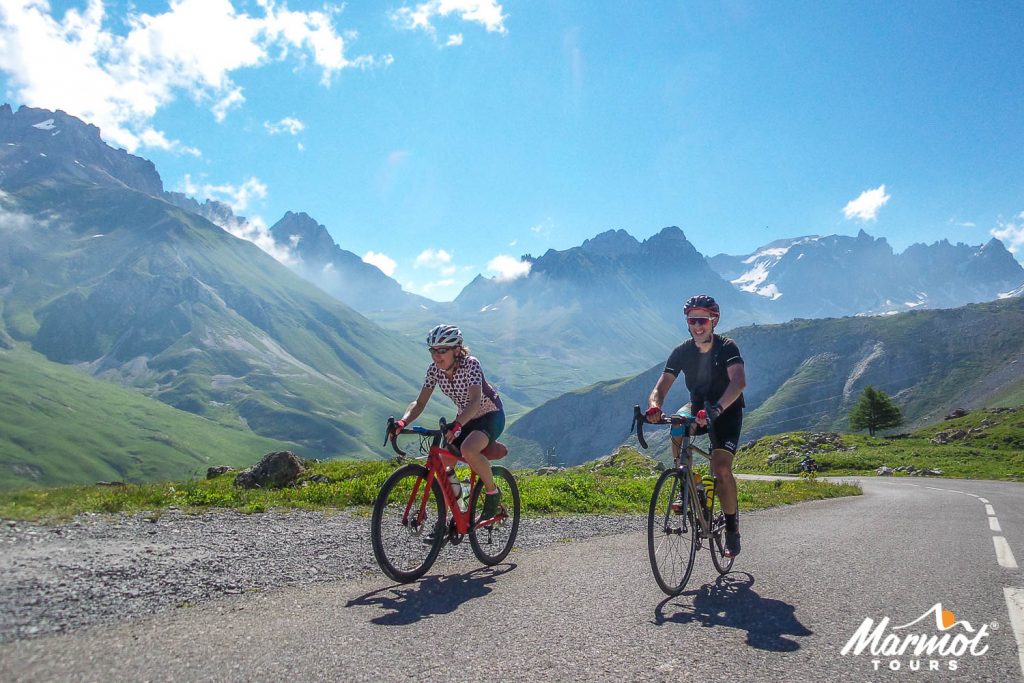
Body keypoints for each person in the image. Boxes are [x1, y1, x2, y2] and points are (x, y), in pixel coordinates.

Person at [646, 294, 747, 557]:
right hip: (697, 407)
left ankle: (732, 530)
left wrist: (717, 409)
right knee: (678, 423)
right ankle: (688, 485)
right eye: (692, 321)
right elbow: (661, 386)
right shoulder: (682, 351)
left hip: (727, 410)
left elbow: (738, 383)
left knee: (721, 469)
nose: (697, 326)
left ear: (714, 321)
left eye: (702, 320)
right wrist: (655, 406)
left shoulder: (727, 347)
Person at [390, 324, 507, 520]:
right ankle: (458, 510)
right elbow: (419, 403)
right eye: (433, 351)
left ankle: (493, 493)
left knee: (469, 449)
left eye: (442, 350)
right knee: (446, 463)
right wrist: (402, 422)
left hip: (490, 416)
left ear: (457, 350)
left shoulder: (471, 364)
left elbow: (475, 401)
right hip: (465, 418)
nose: (436, 356)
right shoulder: (434, 370)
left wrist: (458, 424)